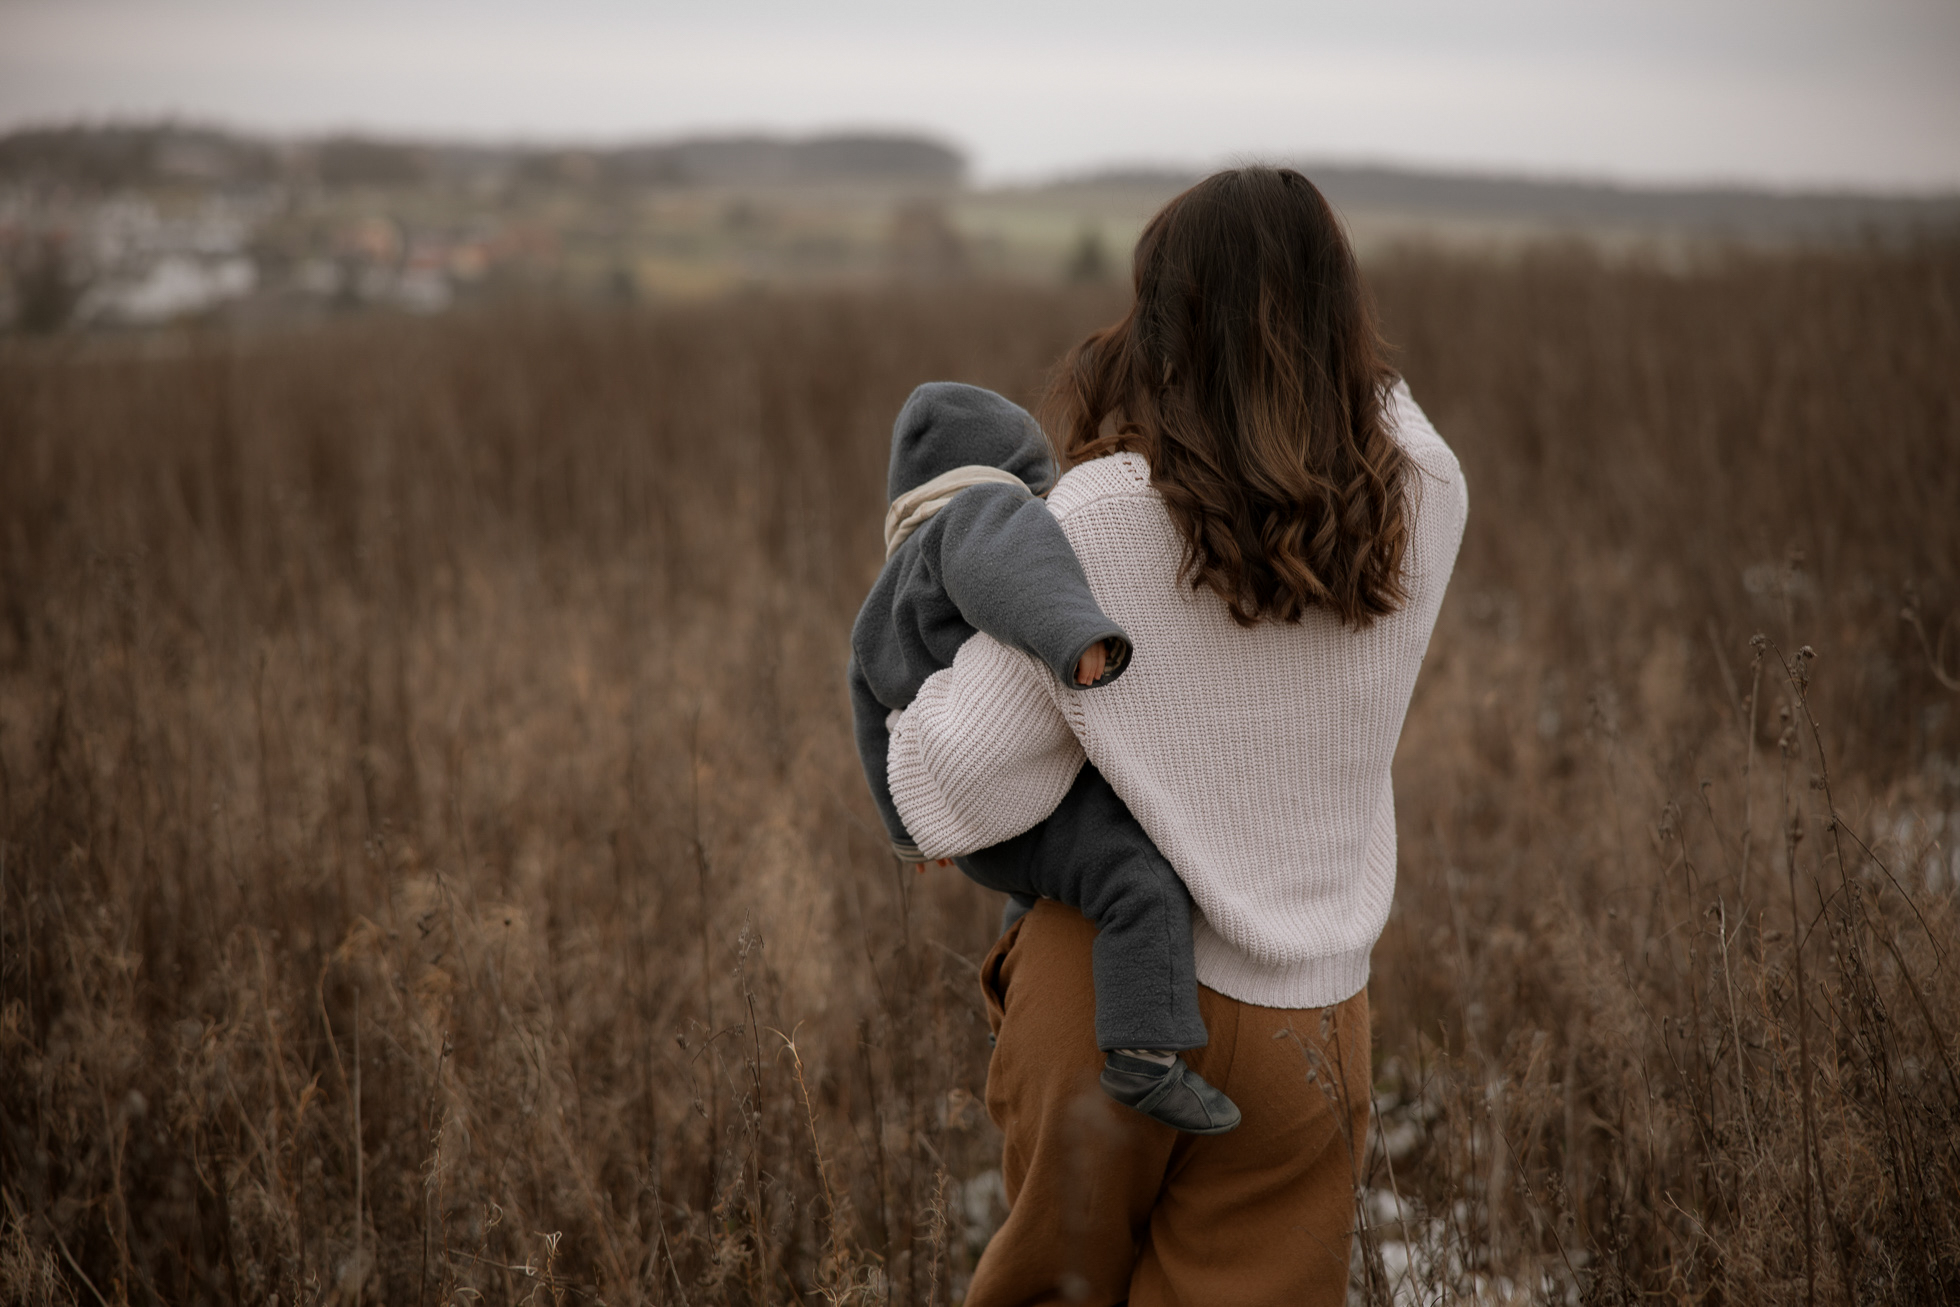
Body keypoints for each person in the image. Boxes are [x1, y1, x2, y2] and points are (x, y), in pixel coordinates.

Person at [883, 167, 1468, 1305]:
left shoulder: (1101, 515)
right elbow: (1388, 409)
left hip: (1105, 1001)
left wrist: (919, 621)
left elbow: (954, 787)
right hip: (1310, 1026)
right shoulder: (1425, 494)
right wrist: (1313, 338)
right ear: (1345, 316)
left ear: (1163, 324)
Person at [848, 381, 1240, 1134]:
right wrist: (1074, 635)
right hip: (1025, 789)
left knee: (1048, 887)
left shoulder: (882, 598)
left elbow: (868, 706)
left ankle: (1017, 1011)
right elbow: (1014, 564)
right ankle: (1145, 1052)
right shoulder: (979, 516)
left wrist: (907, 831)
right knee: (1135, 874)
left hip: (978, 834)